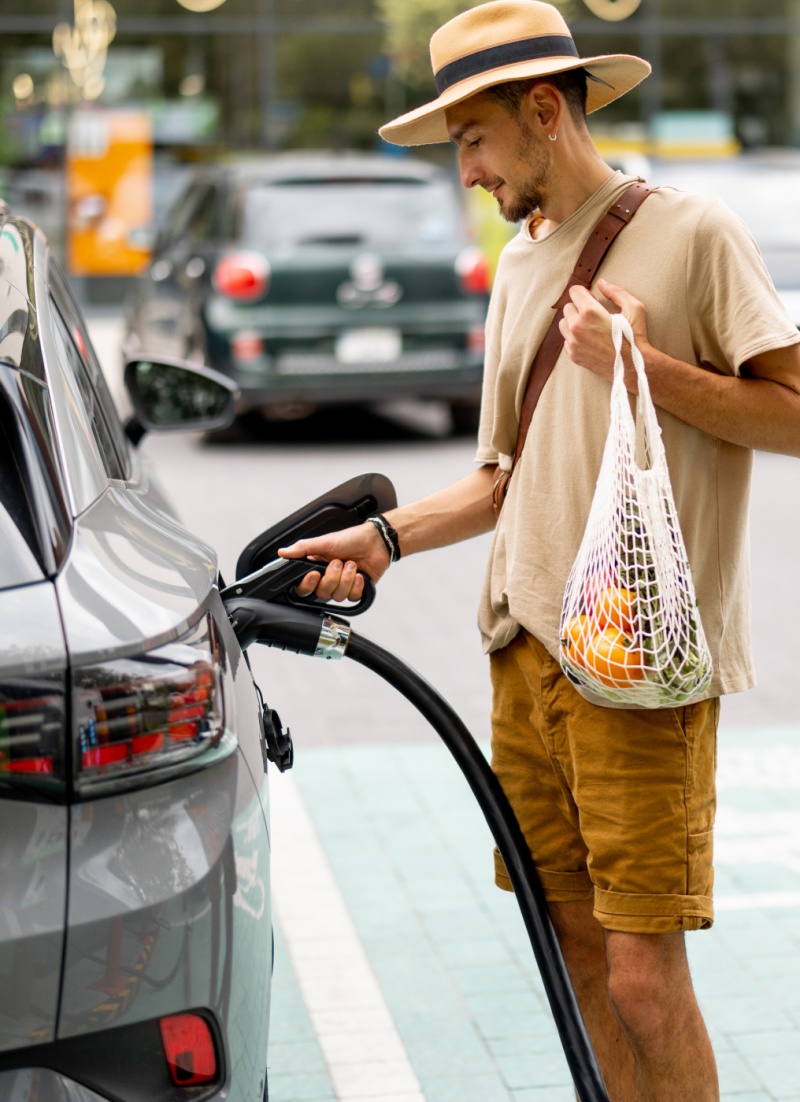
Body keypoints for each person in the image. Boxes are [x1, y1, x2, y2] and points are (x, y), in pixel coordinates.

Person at [278, 3, 800, 1099]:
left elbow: (790, 412)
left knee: (645, 980)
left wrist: (642, 370)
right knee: (572, 957)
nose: (462, 168)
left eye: (470, 139)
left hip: (638, 666)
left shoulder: (693, 233)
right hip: (525, 658)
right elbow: (498, 479)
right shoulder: (518, 267)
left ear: (543, 112)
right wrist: (381, 541)